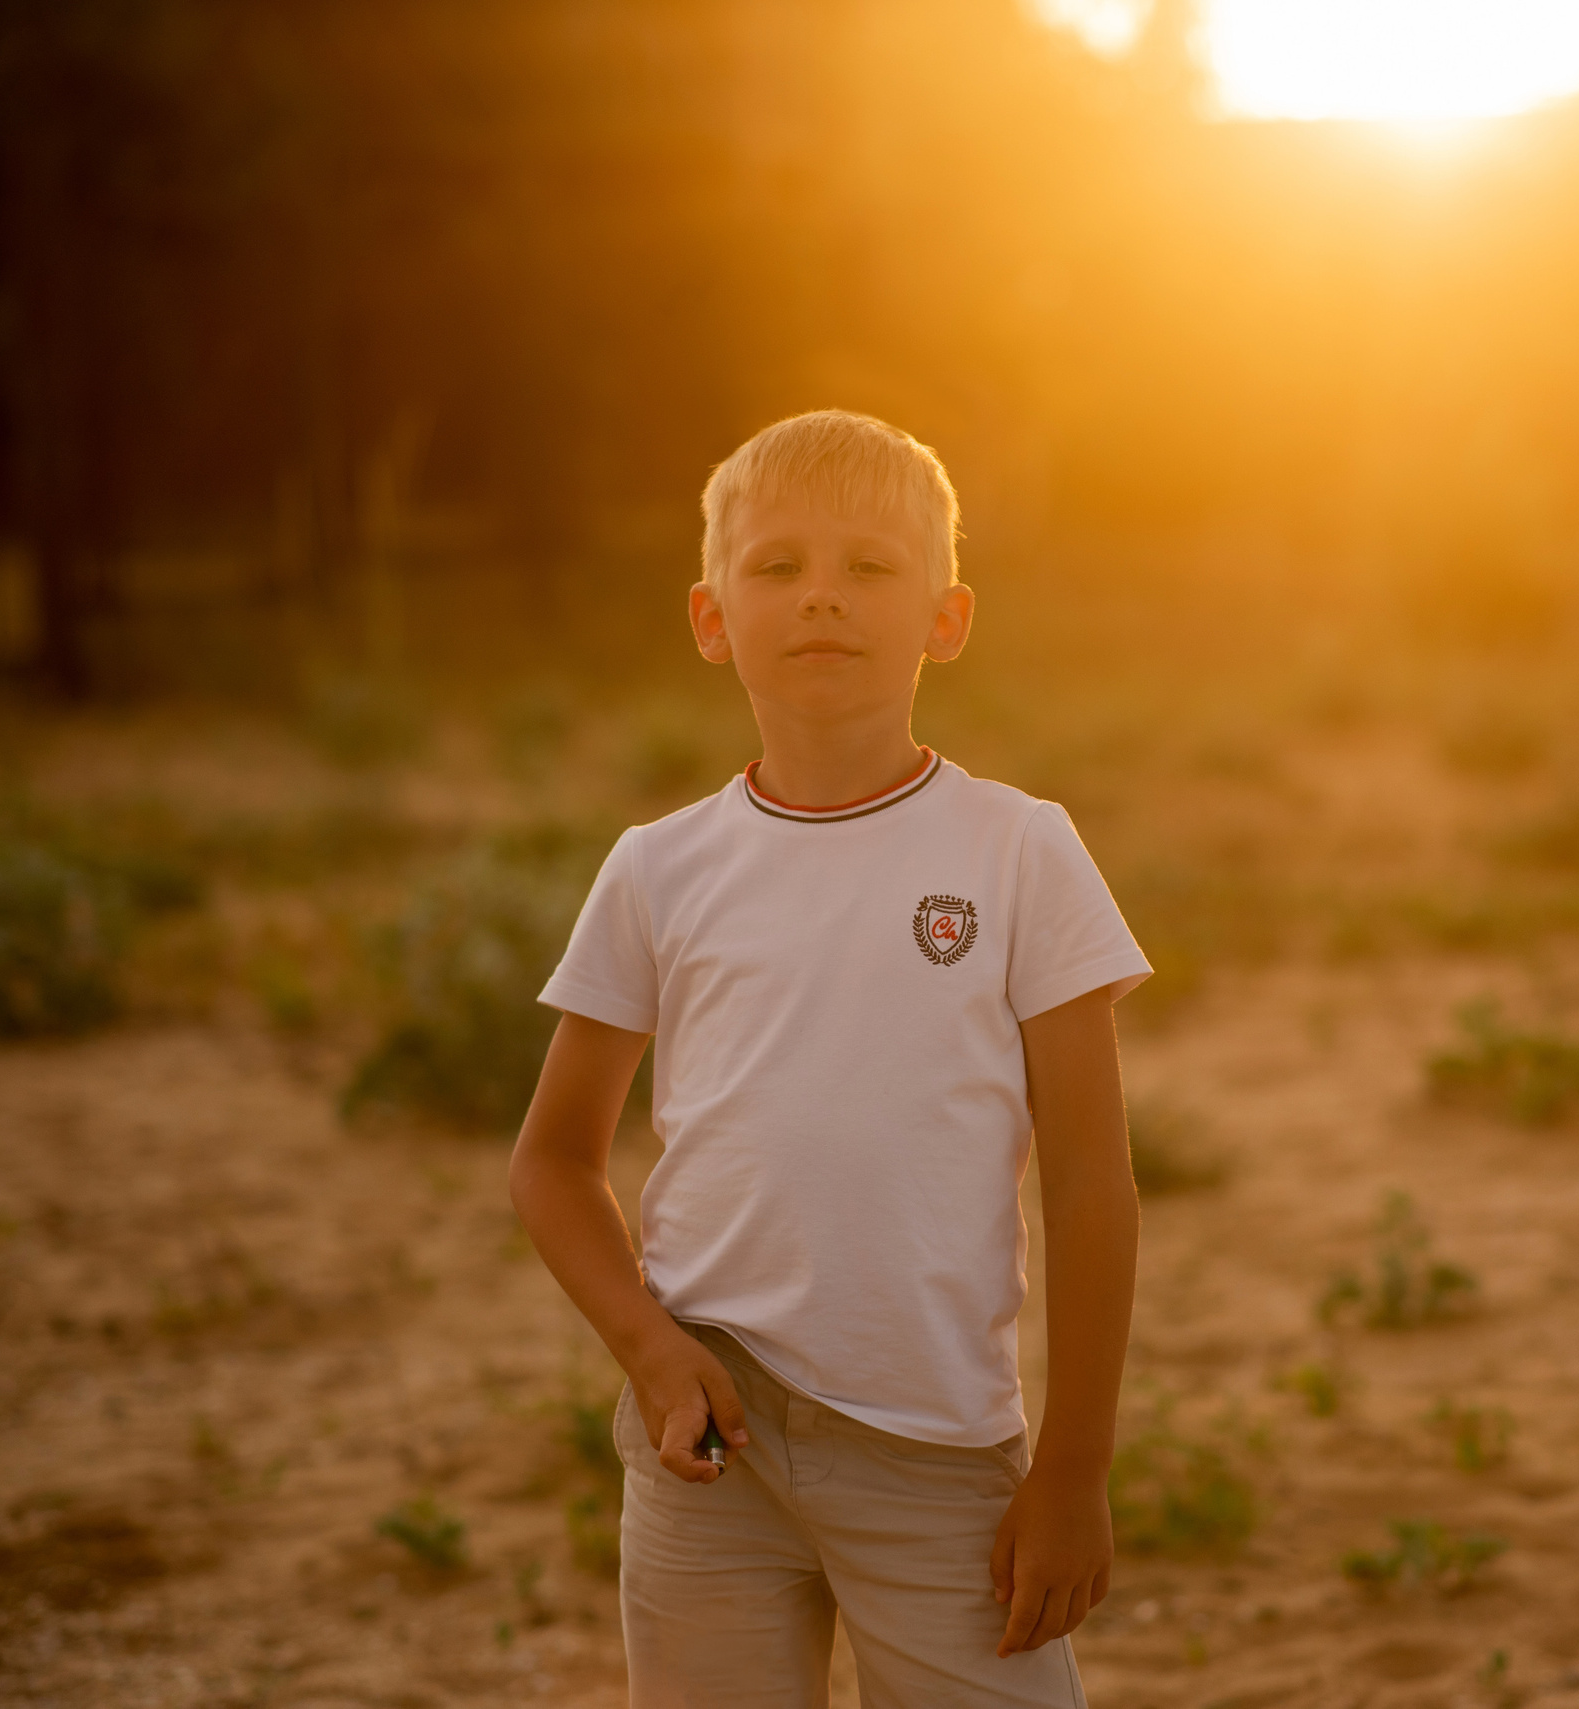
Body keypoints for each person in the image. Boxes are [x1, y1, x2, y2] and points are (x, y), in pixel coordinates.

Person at [509, 409, 1148, 1707]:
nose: (821, 597)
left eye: (869, 566)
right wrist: (650, 1351)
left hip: (936, 1453)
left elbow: (1091, 1180)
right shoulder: (659, 868)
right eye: (777, 566)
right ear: (711, 618)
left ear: (945, 619)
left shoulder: (1020, 851)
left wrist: (1075, 1469)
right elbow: (553, 1162)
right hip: (708, 1443)